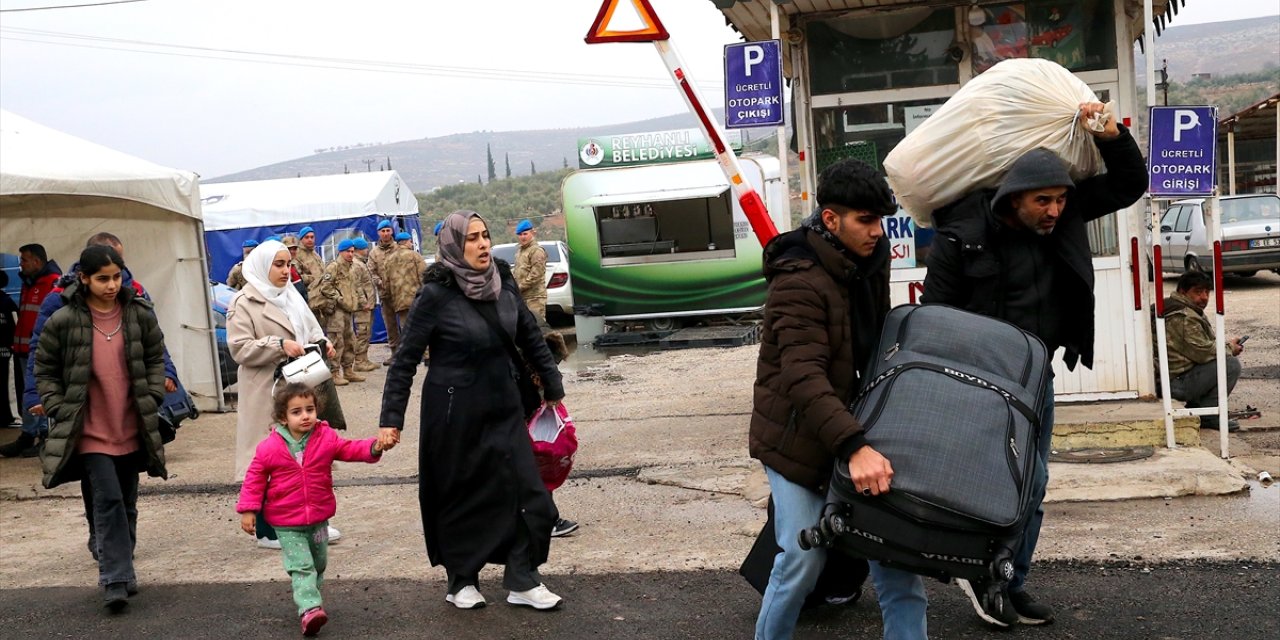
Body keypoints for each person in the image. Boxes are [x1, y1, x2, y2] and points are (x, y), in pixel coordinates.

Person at [922, 102, 1147, 627]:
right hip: (980, 382)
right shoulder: (963, 231)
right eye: (1043, 200)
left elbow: (1129, 184)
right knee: (999, 482)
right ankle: (985, 574)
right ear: (1011, 197)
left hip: (1035, 376)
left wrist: (1112, 136)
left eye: (1061, 199)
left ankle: (1009, 581)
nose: (1054, 209)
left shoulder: (1064, 217)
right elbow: (934, 315)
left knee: (1035, 484)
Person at [378, 210, 567, 612]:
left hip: (505, 406)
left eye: (485, 236)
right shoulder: (436, 294)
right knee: (462, 497)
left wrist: (552, 386)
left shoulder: (503, 282)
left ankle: (522, 577)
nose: (483, 244)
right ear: (453, 246)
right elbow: (406, 358)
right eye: (472, 239)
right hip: (453, 413)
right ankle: (461, 577)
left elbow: (530, 337)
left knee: (528, 493)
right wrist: (391, 419)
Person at [749, 159, 899, 640]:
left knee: (898, 560)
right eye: (866, 221)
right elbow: (802, 375)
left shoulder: (870, 263)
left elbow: (877, 346)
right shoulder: (798, 280)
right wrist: (854, 445)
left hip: (852, 426)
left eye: (881, 220)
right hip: (794, 438)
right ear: (830, 220)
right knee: (801, 555)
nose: (877, 232)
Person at [21, 232, 181, 558]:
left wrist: (166, 374)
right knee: (99, 484)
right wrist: (36, 395)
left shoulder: (134, 295)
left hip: (127, 409)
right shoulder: (59, 300)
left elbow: (151, 341)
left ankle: (117, 546)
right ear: (85, 269)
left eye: (118, 268)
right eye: (103, 272)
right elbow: (41, 350)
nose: (112, 281)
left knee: (123, 488)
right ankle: (106, 546)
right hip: (85, 410)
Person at [236, 383, 389, 637]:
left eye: (310, 409)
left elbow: (348, 449)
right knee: (302, 565)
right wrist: (248, 510)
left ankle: (309, 596)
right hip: (287, 523)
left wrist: (374, 447)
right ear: (283, 418)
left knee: (318, 563)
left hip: (318, 519)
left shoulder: (325, 438)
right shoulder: (270, 447)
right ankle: (309, 608)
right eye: (297, 412)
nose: (305, 416)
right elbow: (255, 478)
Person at [226, 239, 341, 550]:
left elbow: (306, 325)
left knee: (307, 454)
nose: (285, 271)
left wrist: (322, 340)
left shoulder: (290, 295)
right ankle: (268, 530)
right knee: (272, 457)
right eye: (278, 265)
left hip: (298, 388)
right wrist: (276, 345)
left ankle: (312, 524)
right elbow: (239, 348)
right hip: (267, 390)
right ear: (262, 266)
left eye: (287, 264)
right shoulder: (244, 302)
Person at [1159, 270, 1244, 432]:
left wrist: (1226, 346)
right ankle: (1208, 416)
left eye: (1207, 292)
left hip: (1170, 376)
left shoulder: (1176, 306)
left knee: (1221, 359)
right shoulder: (1184, 317)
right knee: (1230, 365)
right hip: (1172, 382)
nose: (1204, 297)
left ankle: (1197, 407)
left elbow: (1200, 346)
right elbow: (1203, 352)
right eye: (1198, 292)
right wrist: (1230, 348)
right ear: (1183, 292)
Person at [1, 244, 61, 458]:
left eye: (24, 260)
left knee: (41, 392)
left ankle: (45, 436)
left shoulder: (52, 283)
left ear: (37, 261)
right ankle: (28, 434)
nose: (21, 264)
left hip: (41, 351)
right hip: (23, 349)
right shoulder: (30, 283)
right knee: (27, 393)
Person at [316, 239, 365, 386]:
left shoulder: (351, 268)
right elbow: (325, 287)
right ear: (341, 252)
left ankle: (348, 370)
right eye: (347, 251)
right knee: (337, 341)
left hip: (348, 310)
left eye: (352, 251)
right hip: (337, 311)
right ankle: (334, 372)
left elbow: (355, 287)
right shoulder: (334, 267)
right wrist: (338, 298)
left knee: (350, 340)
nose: (350, 254)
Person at [381, 233, 427, 362]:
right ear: (407, 242)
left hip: (399, 302)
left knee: (406, 329)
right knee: (421, 327)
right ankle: (427, 354)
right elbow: (424, 276)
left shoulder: (389, 259)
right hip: (416, 299)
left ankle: (409, 355)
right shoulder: (415, 256)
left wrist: (389, 300)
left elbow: (386, 283)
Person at [367, 220, 400, 362]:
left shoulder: (399, 248)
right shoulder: (374, 253)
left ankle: (412, 352)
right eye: (383, 231)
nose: (385, 233)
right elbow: (371, 271)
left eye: (388, 230)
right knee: (390, 324)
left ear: (392, 232)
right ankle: (395, 353)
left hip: (401, 293)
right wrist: (380, 283)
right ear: (378, 233)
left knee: (408, 323)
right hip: (385, 295)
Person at [349, 237, 379, 372]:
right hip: (363, 306)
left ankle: (364, 358)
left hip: (368, 304)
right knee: (363, 332)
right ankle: (359, 361)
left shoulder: (361, 263)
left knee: (367, 332)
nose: (367, 251)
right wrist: (363, 302)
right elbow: (356, 286)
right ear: (360, 250)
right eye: (365, 248)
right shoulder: (356, 264)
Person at [513, 219, 549, 322]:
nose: (522, 237)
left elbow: (536, 275)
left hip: (535, 297)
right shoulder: (520, 251)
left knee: (538, 326)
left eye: (525, 234)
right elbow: (518, 271)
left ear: (532, 233)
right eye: (520, 234)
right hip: (523, 297)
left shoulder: (536, 251)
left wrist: (519, 288)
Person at [0, 271, 17, 428]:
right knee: (3, 381)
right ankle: (5, 415)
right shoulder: (6, 300)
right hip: (4, 349)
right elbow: (14, 323)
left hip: (5, 348)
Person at [294, 226, 324, 291]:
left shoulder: (315, 254)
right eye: (306, 237)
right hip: (310, 293)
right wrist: (314, 278)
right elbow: (297, 277)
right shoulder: (297, 255)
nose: (310, 240)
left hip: (322, 291)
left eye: (312, 237)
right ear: (301, 239)